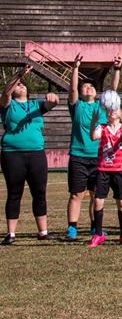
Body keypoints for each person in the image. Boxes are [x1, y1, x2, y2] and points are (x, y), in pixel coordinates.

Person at [1, 66, 59, 244]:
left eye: (23, 84)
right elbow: (5, 93)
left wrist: (53, 98)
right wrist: (20, 74)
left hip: (36, 154)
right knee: (14, 193)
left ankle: (43, 231)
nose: (21, 86)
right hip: (12, 155)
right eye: (18, 85)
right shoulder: (7, 104)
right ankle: (11, 234)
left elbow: (52, 103)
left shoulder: (35, 105)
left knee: (39, 192)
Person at [66, 54, 120, 240]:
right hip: (78, 156)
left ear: (96, 93)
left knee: (96, 194)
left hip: (99, 158)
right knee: (76, 194)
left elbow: (113, 90)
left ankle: (94, 227)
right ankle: (72, 227)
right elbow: (72, 89)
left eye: (91, 86)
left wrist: (116, 69)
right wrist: (75, 68)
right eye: (85, 87)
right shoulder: (77, 106)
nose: (87, 88)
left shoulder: (102, 107)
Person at [87, 97, 122, 247]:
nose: (112, 111)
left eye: (116, 109)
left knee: (121, 202)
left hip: (120, 170)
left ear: (121, 112)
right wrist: (94, 121)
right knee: (98, 200)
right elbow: (93, 136)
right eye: (109, 109)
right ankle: (98, 234)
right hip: (103, 169)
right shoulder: (102, 127)